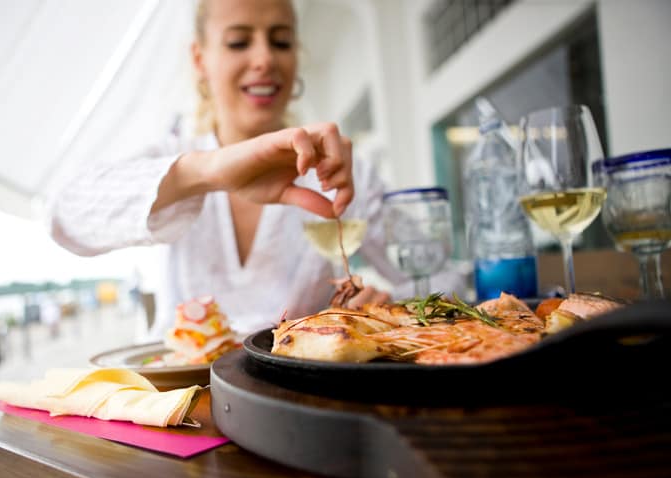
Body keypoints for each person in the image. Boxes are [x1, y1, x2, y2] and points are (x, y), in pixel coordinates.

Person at [49, 0, 460, 338]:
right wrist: (209, 171)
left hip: (301, 402)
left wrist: (389, 310)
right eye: (238, 42)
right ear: (200, 58)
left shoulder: (343, 174)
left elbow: (444, 279)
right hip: (183, 407)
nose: (264, 58)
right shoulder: (174, 157)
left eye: (281, 41)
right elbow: (65, 216)